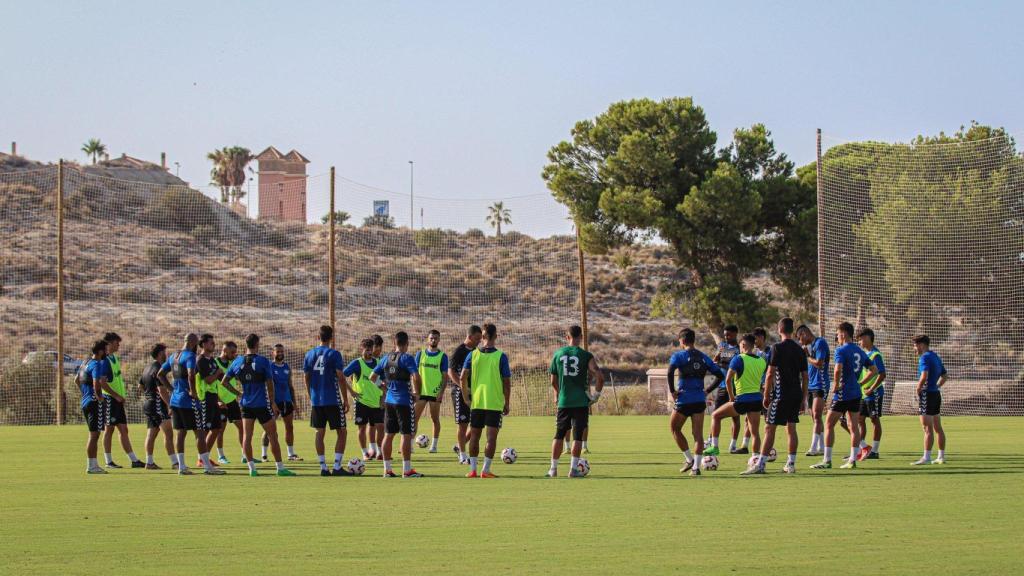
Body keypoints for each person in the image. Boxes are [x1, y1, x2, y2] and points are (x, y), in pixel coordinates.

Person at [221, 333, 295, 477]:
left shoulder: (237, 362)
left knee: (247, 436)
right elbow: (269, 383)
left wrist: (238, 394)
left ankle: (252, 469)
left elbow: (224, 381)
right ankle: (280, 468)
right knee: (273, 435)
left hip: (246, 404)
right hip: (261, 404)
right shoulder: (263, 361)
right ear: (257, 344)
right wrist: (272, 402)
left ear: (246, 344)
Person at [811, 322, 876, 470]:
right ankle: (852, 460)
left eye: (838, 333)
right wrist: (860, 382)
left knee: (828, 424)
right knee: (853, 426)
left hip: (843, 393)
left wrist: (836, 385)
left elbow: (837, 369)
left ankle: (827, 460)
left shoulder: (841, 350)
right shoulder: (860, 351)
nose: (837, 336)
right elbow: (874, 370)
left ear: (844, 334)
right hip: (856, 394)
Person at [158, 333, 220, 475]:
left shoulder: (174, 356)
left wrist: (171, 389)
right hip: (188, 401)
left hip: (175, 400)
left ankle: (181, 467)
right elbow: (191, 374)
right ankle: (207, 467)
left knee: (181, 433)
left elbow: (160, 374)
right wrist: (193, 392)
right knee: (200, 433)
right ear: (193, 343)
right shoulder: (190, 356)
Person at [547, 325, 604, 478]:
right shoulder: (586, 355)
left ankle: (553, 469)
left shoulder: (558, 354)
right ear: (581, 337)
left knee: (558, 435)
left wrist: (558, 394)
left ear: (567, 337)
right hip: (580, 402)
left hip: (564, 401)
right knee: (577, 436)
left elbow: (553, 380)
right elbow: (600, 376)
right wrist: (596, 395)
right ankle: (573, 470)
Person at [706, 334, 767, 475]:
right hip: (756, 399)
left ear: (744, 345)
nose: (739, 347)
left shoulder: (738, 359)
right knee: (755, 432)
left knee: (715, 415)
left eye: (740, 345)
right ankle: (756, 458)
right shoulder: (762, 361)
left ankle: (714, 446)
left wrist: (732, 397)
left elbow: (728, 379)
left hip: (742, 399)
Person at [667, 328, 724, 476]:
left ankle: (689, 459)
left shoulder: (678, 356)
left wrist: (673, 391)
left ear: (682, 341)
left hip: (684, 399)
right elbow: (719, 375)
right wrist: (707, 390)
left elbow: (670, 372)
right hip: (699, 400)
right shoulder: (704, 357)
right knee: (698, 435)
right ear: (693, 340)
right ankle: (696, 468)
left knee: (674, 428)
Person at [460, 323, 512, 478]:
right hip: (494, 403)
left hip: (477, 402)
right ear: (495, 336)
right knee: (491, 438)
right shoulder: (500, 356)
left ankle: (473, 470)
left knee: (474, 436)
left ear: (482, 337)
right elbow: (507, 382)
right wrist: (507, 403)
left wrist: (466, 397)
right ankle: (486, 470)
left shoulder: (472, 354)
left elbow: (462, 377)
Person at [371, 331, 424, 478]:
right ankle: (407, 470)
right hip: (404, 402)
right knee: (406, 435)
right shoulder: (407, 358)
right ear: (406, 344)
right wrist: (417, 392)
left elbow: (372, 377)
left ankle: (387, 470)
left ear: (394, 343)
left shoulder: (386, 358)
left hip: (389, 401)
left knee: (388, 435)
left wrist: (383, 387)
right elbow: (416, 376)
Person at [759, 317, 808, 474]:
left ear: (779, 330)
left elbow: (770, 373)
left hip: (780, 395)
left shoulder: (776, 348)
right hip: (795, 395)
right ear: (792, 331)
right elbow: (805, 377)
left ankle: (760, 465)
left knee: (769, 428)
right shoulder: (800, 350)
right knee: (791, 428)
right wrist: (803, 399)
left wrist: (766, 394)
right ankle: (791, 464)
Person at [303, 325, 351, 476]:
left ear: (318, 337)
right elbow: (341, 377)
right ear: (332, 337)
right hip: (332, 399)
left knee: (319, 432)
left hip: (316, 400)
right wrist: (345, 399)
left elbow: (306, 377)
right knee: (342, 432)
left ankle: (323, 467)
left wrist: (310, 395)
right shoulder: (334, 354)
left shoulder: (309, 354)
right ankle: (337, 467)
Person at [100, 332, 143, 468]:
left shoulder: (114, 358)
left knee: (123, 429)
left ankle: (134, 460)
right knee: (109, 429)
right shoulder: (104, 360)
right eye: (117, 343)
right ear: (110, 343)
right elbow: (102, 383)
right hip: (109, 400)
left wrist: (120, 396)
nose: (119, 345)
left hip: (117, 401)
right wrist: (115, 395)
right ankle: (108, 461)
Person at [447, 325, 482, 464]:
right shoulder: (459, 351)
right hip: (459, 393)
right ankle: (462, 455)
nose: (479, 341)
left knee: (476, 424)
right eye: (477, 338)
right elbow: (451, 372)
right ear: (470, 336)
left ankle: (458, 446)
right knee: (463, 424)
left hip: (475, 393)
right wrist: (463, 387)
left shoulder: (476, 351)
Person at [911, 334, 948, 465]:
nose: (914, 349)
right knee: (938, 427)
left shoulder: (924, 358)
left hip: (927, 394)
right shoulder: (935, 356)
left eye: (915, 346)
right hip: (936, 394)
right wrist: (936, 386)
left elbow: (924, 375)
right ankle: (941, 457)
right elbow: (944, 375)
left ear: (921, 345)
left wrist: (918, 388)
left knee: (927, 428)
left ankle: (926, 457)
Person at [345, 338, 383, 462]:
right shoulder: (357, 363)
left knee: (380, 427)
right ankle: (365, 453)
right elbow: (341, 375)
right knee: (361, 428)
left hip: (377, 402)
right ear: (362, 350)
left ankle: (379, 452)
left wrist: (383, 396)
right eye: (367, 350)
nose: (369, 352)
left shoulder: (378, 362)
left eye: (371, 349)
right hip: (362, 402)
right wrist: (351, 392)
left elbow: (384, 381)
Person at [77, 339, 112, 474]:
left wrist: (85, 394)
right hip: (93, 403)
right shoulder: (96, 364)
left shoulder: (85, 363)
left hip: (86, 402)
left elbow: (76, 380)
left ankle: (93, 465)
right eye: (105, 350)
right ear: (100, 351)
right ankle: (92, 466)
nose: (107, 352)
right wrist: (100, 398)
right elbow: (97, 384)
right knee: (94, 435)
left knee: (94, 434)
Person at [262, 344, 300, 462]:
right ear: (273, 353)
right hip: (274, 402)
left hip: (287, 401)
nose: (280, 353)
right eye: (277, 351)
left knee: (289, 427)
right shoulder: (269, 366)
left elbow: (290, 386)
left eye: (281, 351)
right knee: (269, 429)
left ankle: (290, 454)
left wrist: (294, 403)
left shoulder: (287, 367)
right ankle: (264, 455)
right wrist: (271, 402)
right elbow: (267, 385)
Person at [140, 343, 174, 470]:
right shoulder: (159, 368)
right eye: (165, 352)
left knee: (152, 433)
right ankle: (175, 463)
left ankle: (149, 462)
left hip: (148, 404)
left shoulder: (147, 368)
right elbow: (162, 390)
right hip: (158, 404)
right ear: (160, 354)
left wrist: (149, 395)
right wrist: (170, 405)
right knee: (169, 434)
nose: (167, 355)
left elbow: (140, 386)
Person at [797, 325, 830, 456]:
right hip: (811, 385)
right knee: (814, 417)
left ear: (804, 333)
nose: (800, 342)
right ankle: (821, 447)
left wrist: (807, 356)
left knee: (816, 416)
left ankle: (813, 447)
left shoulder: (820, 342)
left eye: (800, 338)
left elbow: (819, 363)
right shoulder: (812, 346)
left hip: (820, 384)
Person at [414, 330, 449, 453]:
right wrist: (415, 391)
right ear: (427, 339)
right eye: (431, 338)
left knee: (435, 419)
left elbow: (445, 377)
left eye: (435, 338)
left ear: (439, 340)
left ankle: (434, 445)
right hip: (421, 392)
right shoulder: (420, 354)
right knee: (414, 418)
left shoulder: (442, 356)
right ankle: (411, 445)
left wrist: (441, 392)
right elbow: (414, 374)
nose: (433, 340)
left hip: (435, 393)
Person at [710, 325, 743, 453]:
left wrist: (724, 363)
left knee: (735, 417)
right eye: (725, 335)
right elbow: (715, 361)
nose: (726, 337)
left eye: (729, 335)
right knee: (715, 415)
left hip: (735, 387)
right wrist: (718, 355)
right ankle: (712, 442)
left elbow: (735, 364)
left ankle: (733, 444)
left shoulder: (739, 348)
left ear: (735, 334)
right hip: (722, 386)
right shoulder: (722, 346)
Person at [193, 334, 224, 468]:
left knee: (216, 428)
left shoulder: (211, 360)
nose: (214, 344)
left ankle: (204, 457)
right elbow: (208, 380)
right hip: (204, 398)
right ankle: (201, 459)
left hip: (213, 397)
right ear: (203, 344)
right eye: (211, 342)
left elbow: (219, 378)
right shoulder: (200, 360)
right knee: (204, 430)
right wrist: (218, 373)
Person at [856, 328, 886, 460]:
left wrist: (872, 388)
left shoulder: (875, 355)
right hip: (864, 393)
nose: (859, 342)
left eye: (861, 339)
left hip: (874, 393)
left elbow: (882, 374)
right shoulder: (865, 354)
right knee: (860, 420)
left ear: (868, 338)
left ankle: (875, 450)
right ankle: (861, 449)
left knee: (874, 420)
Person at [212, 341, 243, 464]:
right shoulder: (215, 363)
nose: (234, 354)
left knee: (242, 427)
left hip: (232, 400)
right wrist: (218, 400)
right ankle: (221, 455)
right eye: (232, 352)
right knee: (220, 430)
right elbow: (213, 384)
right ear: (224, 351)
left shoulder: (233, 363)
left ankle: (245, 454)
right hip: (220, 402)